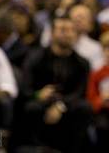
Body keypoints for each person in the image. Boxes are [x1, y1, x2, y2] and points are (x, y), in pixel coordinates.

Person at [21, 16, 91, 152]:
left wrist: (60, 105)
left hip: (67, 105)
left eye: (72, 30)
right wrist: (38, 94)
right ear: (52, 33)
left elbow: (80, 91)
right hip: (41, 103)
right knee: (32, 107)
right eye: (63, 30)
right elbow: (25, 88)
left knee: (84, 107)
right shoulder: (35, 58)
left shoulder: (82, 63)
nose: (68, 34)